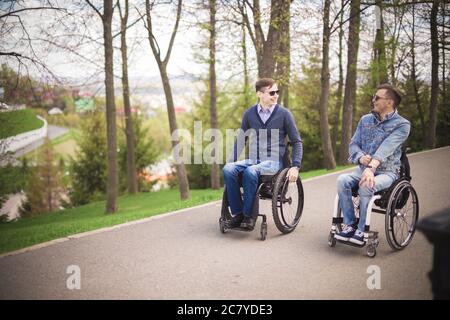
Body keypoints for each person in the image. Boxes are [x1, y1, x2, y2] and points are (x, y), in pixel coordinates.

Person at [335, 83, 411, 245]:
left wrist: (371, 168)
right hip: (362, 169)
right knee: (342, 180)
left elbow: (386, 148)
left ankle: (362, 229)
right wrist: (361, 157)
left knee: (366, 184)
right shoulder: (365, 120)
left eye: (377, 97)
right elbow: (353, 144)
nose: (373, 100)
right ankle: (350, 224)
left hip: (387, 172)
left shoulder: (402, 125)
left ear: (389, 102)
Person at [223, 78, 303, 231]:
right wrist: (231, 162)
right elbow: (241, 140)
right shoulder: (249, 114)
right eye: (272, 92)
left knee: (251, 171)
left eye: (277, 92)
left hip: (274, 161)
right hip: (254, 158)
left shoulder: (284, 114)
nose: (276, 95)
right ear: (259, 94)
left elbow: (297, 142)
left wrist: (296, 167)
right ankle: (238, 214)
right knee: (228, 169)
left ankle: (249, 216)